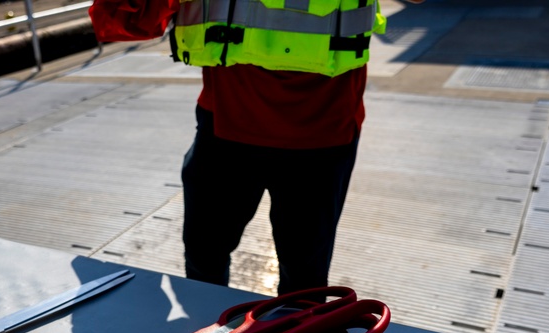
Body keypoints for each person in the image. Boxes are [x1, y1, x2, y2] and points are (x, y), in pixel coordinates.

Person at [89, 0, 386, 294]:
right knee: (208, 260)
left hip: (317, 132)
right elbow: (124, 19)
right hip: (239, 126)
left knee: (299, 281)